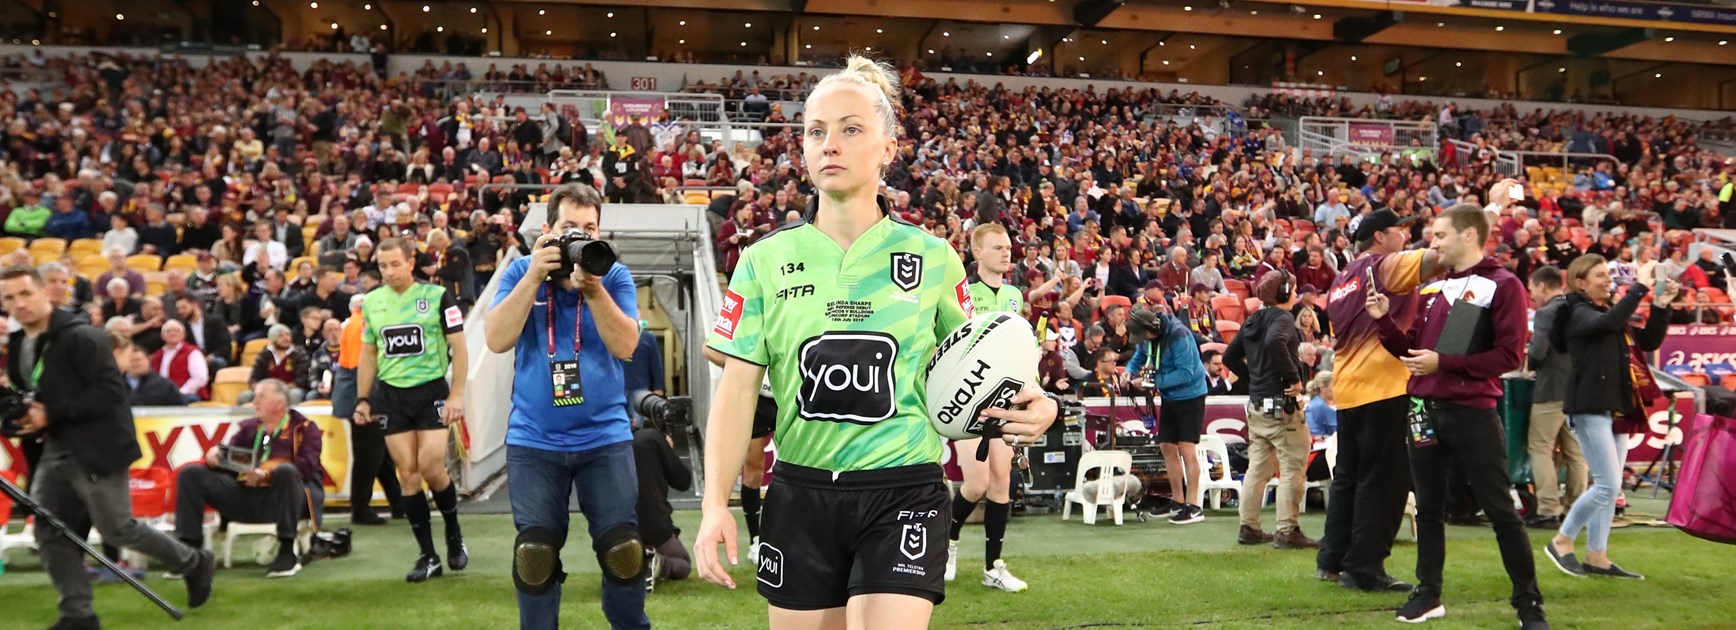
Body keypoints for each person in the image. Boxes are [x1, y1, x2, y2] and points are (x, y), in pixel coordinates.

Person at [692, 56, 1057, 629]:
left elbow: (973, 360)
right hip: (801, 493)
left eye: (851, 128)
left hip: (903, 491)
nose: (829, 144)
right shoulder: (764, 261)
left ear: (888, 147)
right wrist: (716, 503)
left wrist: (1036, 399)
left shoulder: (933, 257)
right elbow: (737, 391)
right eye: (816, 131)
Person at [1365, 204, 1549, 628]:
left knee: (1501, 510)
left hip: (1472, 412)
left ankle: (1528, 604)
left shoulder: (1502, 285)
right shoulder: (1435, 288)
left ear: (1469, 235)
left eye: (1441, 235)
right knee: (1428, 509)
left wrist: (1441, 364)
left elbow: (1507, 355)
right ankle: (1428, 594)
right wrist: (1385, 324)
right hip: (1422, 409)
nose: (1434, 243)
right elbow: (1414, 353)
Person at [3, 265, 216, 628]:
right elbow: (35, 394)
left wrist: (50, 413)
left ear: (45, 293)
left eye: (25, 294)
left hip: (98, 448)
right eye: (9, 298)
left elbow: (109, 393)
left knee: (117, 529)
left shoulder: (83, 336)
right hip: (57, 447)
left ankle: (193, 562)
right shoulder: (22, 342)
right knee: (49, 531)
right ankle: (78, 614)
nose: (18, 304)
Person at [483, 183, 650, 629]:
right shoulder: (521, 270)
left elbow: (627, 345)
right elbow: (496, 339)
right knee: (535, 554)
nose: (580, 237)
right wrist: (534, 276)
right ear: (547, 231)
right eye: (569, 228)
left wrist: (593, 291)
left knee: (624, 552)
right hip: (535, 440)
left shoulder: (611, 275)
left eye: (589, 228)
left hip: (604, 437)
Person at [1316, 208, 1441, 593]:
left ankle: (1332, 560)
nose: (1405, 236)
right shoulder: (1384, 266)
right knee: (1384, 481)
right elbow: (1440, 258)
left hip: (1349, 387)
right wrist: (1484, 215)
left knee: (1349, 479)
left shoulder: (1340, 280)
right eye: (1400, 231)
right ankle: (1366, 566)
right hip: (1385, 386)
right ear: (1381, 238)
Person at [1543, 255, 1674, 581]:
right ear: (1581, 282)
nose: (1607, 279)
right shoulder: (1575, 312)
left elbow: (1648, 341)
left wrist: (1660, 305)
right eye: (1599, 275)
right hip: (1589, 407)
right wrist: (1640, 286)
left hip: (1614, 408)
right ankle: (1562, 541)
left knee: (1608, 487)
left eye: (1607, 274)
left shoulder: (1604, 313)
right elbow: (1609, 323)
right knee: (1607, 485)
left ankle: (1597, 555)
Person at [355, 237, 470, 583]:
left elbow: (460, 349)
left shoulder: (436, 297)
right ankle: (428, 555)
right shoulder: (372, 303)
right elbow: (369, 353)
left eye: (394, 264)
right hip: (391, 397)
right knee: (407, 474)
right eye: (382, 266)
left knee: (431, 466)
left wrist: (457, 395)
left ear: (410, 262)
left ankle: (453, 532)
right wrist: (363, 399)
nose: (388, 272)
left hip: (431, 391)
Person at [946, 222, 1031, 592]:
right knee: (976, 483)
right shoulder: (961, 292)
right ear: (977, 252)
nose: (1005, 252)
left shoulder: (1014, 295)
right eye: (997, 247)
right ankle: (946, 544)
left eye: (1008, 247)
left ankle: (993, 567)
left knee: (1002, 484)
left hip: (1003, 401)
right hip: (968, 402)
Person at [174, 379, 324, 579]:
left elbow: (306, 468)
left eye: (261, 397)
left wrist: (265, 474)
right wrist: (216, 457)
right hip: (246, 495)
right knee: (191, 474)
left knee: (287, 472)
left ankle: (287, 552)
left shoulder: (305, 428)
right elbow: (232, 459)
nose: (254, 402)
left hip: (284, 499)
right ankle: (189, 553)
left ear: (280, 402)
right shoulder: (250, 428)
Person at [1223, 270, 1317, 550]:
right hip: (1282, 406)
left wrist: (1254, 379)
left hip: (1257, 406)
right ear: (1286, 293)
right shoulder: (1283, 318)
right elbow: (1275, 342)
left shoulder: (1253, 318)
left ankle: (1249, 527)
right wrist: (1293, 379)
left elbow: (1229, 356)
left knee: (1258, 467)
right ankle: (1288, 530)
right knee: (1293, 467)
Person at [1126, 307, 1209, 525]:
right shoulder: (1147, 336)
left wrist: (1151, 383)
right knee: (1167, 446)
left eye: (1143, 336)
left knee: (1186, 447)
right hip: (1169, 396)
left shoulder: (1179, 336)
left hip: (1191, 395)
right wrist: (1129, 371)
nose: (1142, 341)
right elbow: (1140, 355)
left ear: (1152, 329)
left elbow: (1186, 372)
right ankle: (1178, 500)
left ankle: (1194, 505)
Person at [1523, 266, 1586, 529]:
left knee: (1540, 448)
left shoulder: (1547, 312)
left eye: (1531, 289)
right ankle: (1579, 508)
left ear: (1542, 286)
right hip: (1579, 390)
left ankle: (1548, 509)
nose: (1531, 294)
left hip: (1551, 390)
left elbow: (1538, 350)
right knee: (1577, 453)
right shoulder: (1580, 308)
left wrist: (1530, 365)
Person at [339, 293, 402, 525]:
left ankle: (398, 502)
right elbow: (364, 367)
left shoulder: (354, 323)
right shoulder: (360, 326)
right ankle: (360, 508)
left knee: (380, 455)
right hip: (365, 399)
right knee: (368, 456)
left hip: (361, 397)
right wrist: (368, 402)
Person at [633, 413, 694, 595]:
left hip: (616, 527)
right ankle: (655, 561)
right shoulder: (650, 439)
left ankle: (638, 562)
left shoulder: (605, 443)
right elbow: (682, 481)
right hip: (654, 524)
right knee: (683, 565)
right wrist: (667, 450)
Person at [239, 324, 310, 405]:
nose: (286, 338)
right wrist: (260, 388)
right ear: (272, 339)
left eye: (288, 335)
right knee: (244, 396)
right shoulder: (265, 354)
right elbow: (254, 378)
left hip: (290, 389)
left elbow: (302, 379)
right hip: (266, 389)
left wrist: (283, 389)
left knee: (295, 394)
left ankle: (290, 417)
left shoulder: (299, 353)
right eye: (280, 336)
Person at [150, 320, 211, 403]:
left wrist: (180, 392)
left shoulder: (193, 352)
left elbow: (200, 378)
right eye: (168, 331)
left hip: (189, 394)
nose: (172, 333)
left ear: (183, 335)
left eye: (176, 330)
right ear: (162, 336)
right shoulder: (157, 355)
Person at [1305, 371, 1337, 439]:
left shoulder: (1336, 403)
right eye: (1334, 385)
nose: (1336, 389)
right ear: (1322, 388)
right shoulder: (1315, 407)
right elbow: (1315, 434)